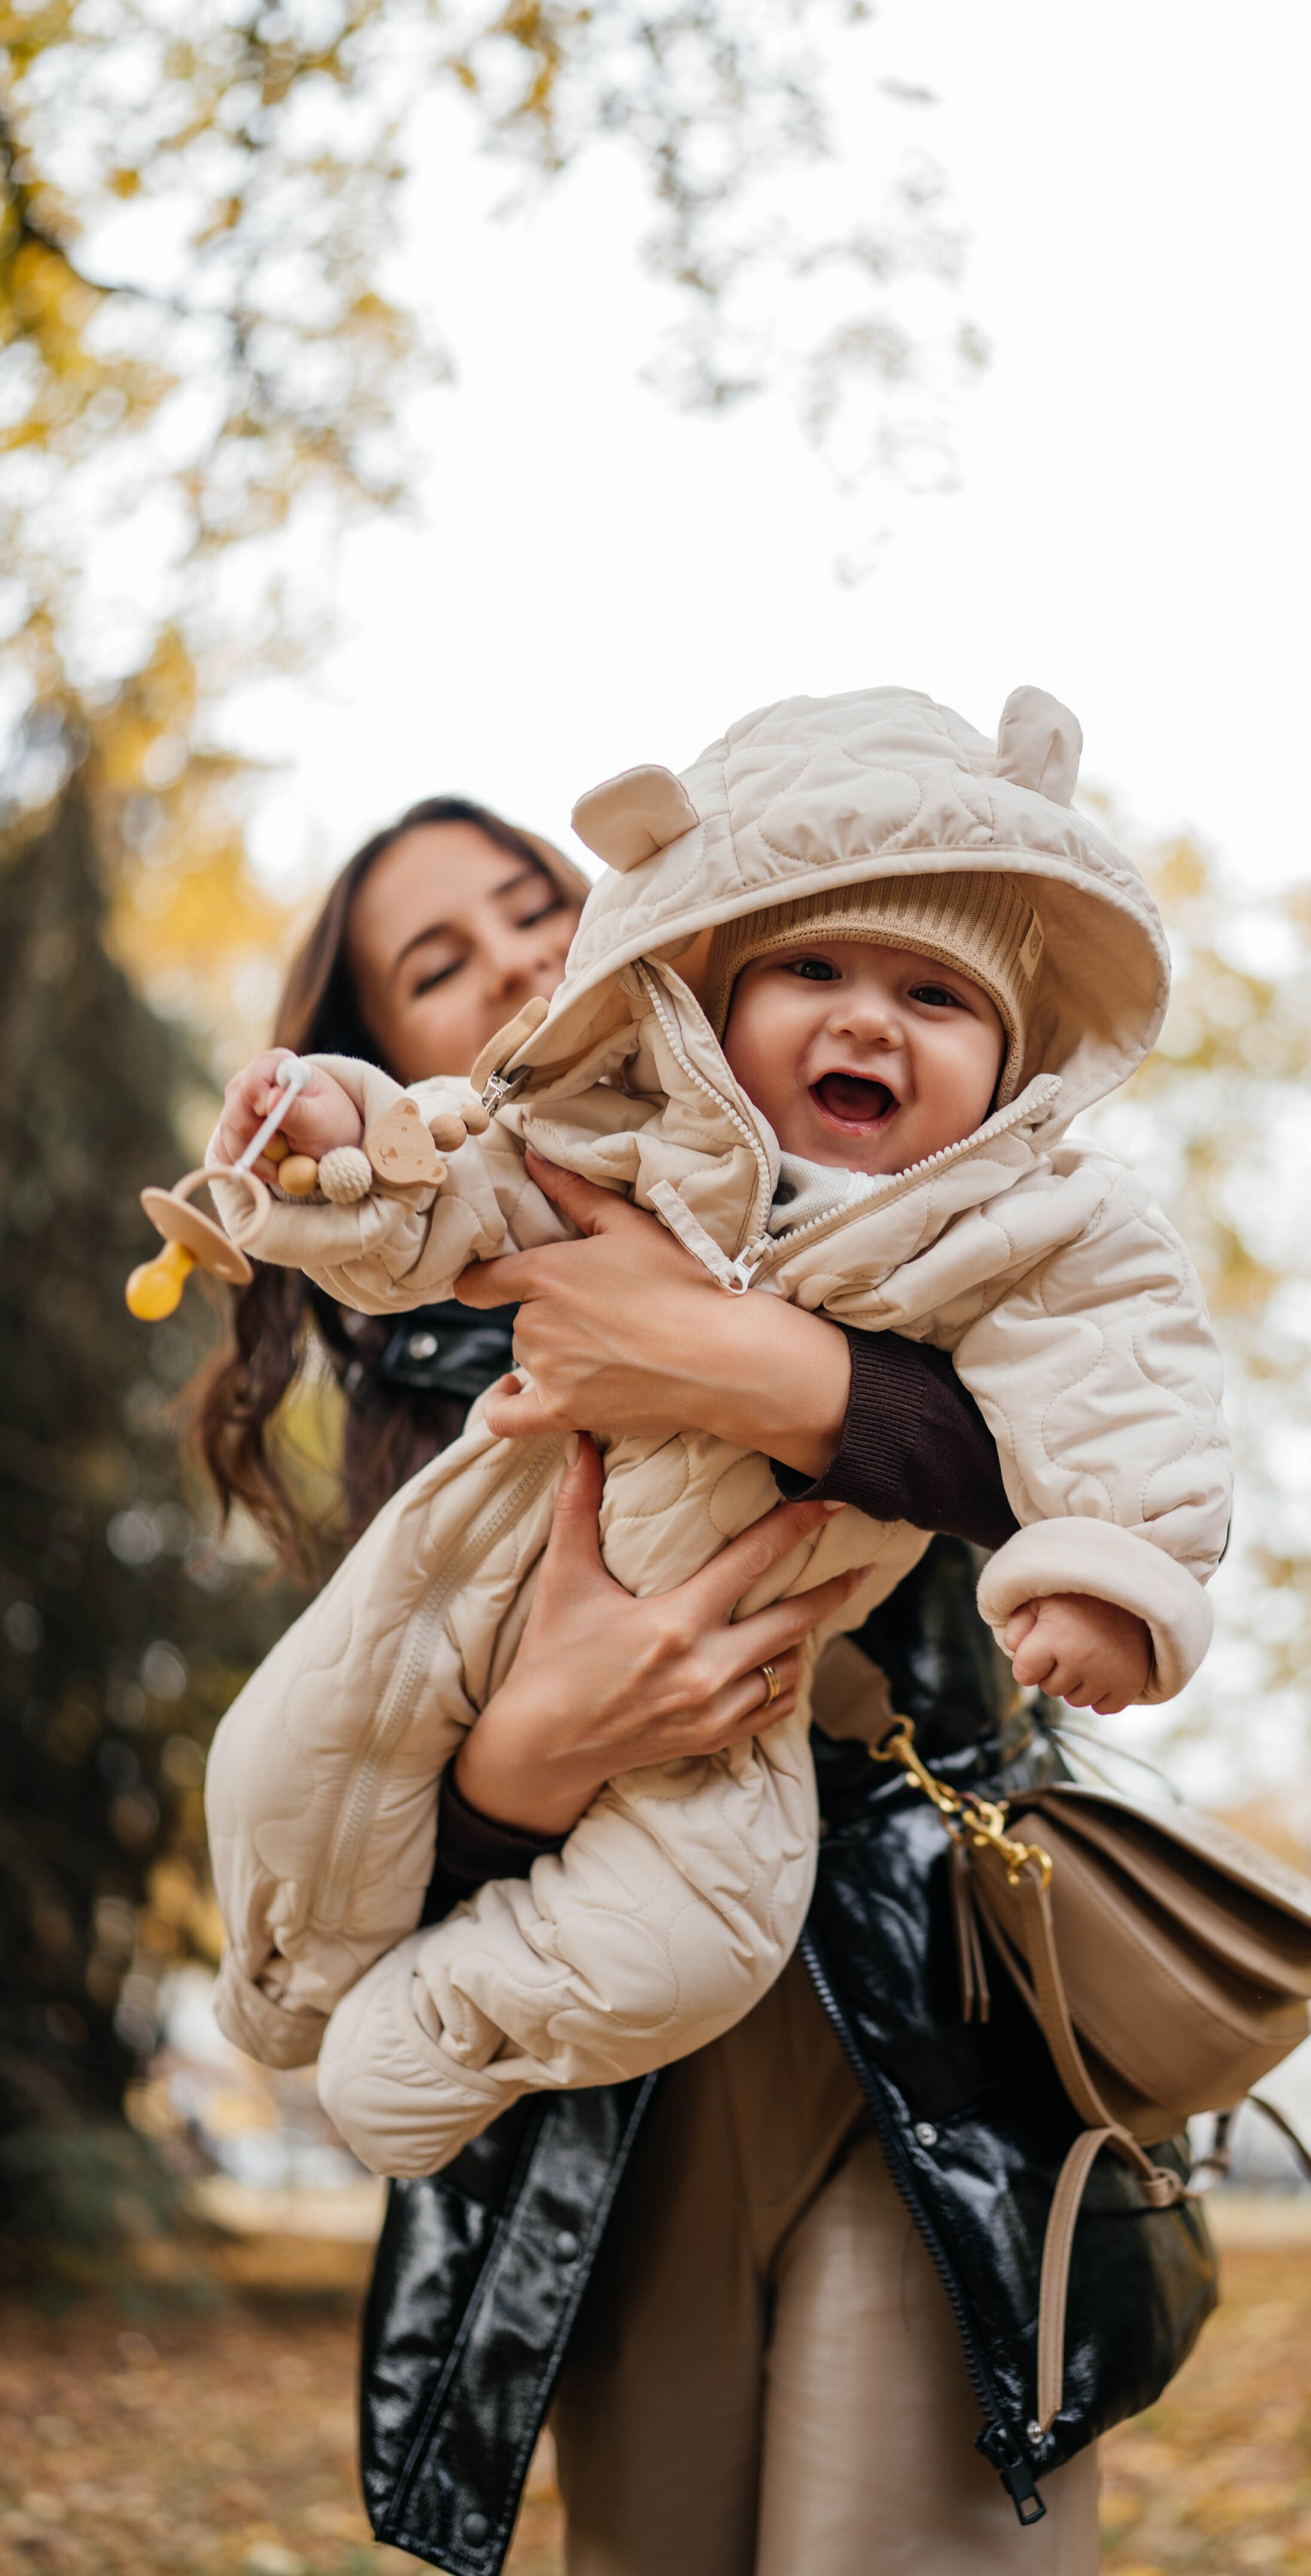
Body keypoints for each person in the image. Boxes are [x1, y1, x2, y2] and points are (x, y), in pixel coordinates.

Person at [196, 762, 1224, 2575]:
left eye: (535, 905)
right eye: (441, 963)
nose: (516, 966)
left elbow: (1045, 1441)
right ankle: (283, 2002)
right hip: (601, 2060)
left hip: (908, 1991)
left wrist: (739, 1365)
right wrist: (526, 1758)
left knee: (904, 2526)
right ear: (393, 1038)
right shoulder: (435, 1325)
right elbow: (401, 1736)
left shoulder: (822, 1182)